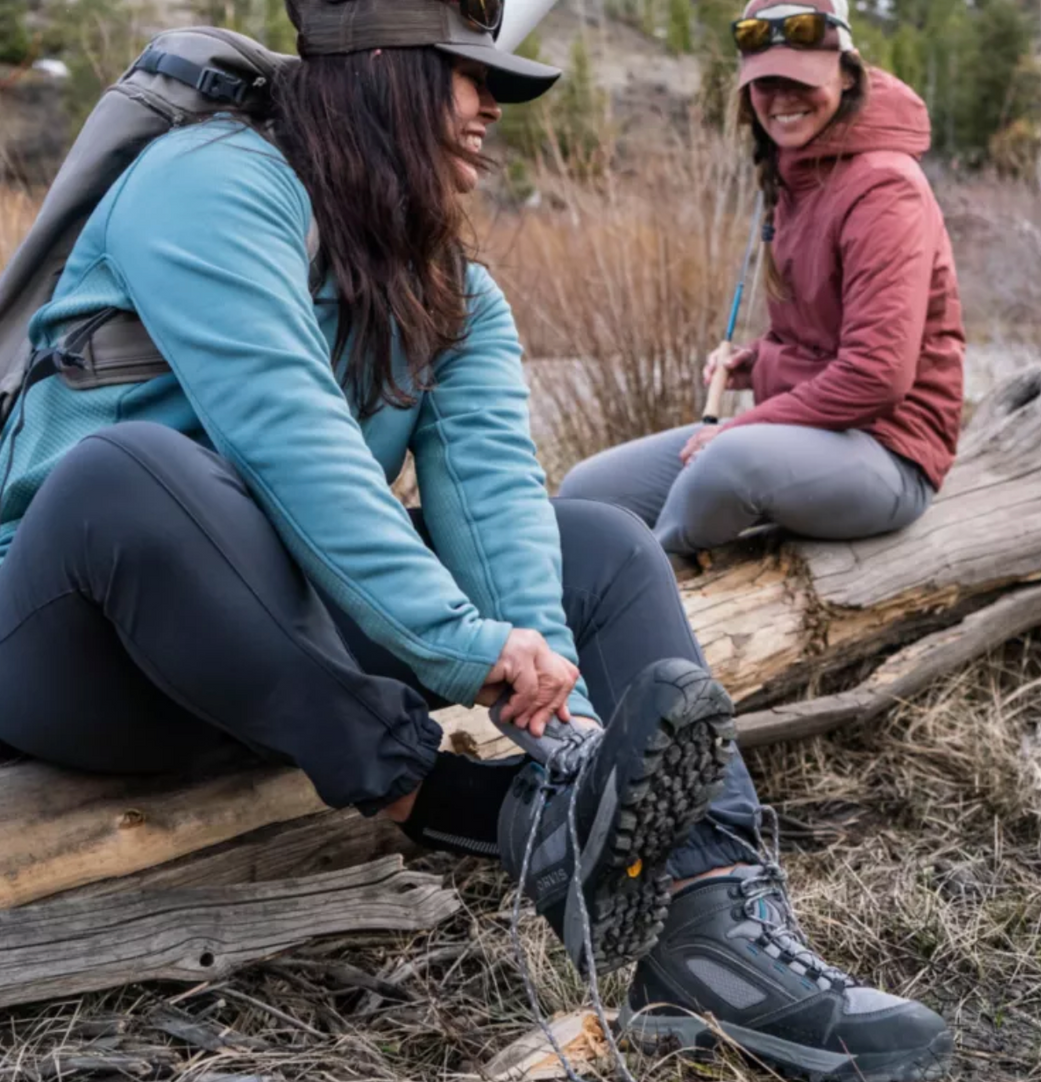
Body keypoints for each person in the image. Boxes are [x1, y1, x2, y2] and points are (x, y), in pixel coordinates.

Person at [0, 1, 950, 1078]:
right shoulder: (207, 183)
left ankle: (715, 938)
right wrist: (467, 647)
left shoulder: (451, 285)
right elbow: (288, 436)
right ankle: (467, 805)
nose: (492, 108)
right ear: (383, 70)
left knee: (596, 541)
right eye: (467, 73)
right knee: (134, 478)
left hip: (283, 662)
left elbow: (497, 504)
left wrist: (563, 718)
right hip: (82, 653)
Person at [560, 0, 965, 574]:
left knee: (727, 465)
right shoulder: (795, 175)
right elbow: (815, 341)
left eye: (800, 79)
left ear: (847, 74)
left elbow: (878, 374)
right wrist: (759, 362)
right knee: (587, 492)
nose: (781, 99)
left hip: (891, 455)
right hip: (809, 436)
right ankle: (578, 585)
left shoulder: (885, 189)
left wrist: (742, 425)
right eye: (764, 83)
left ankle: (638, 590)